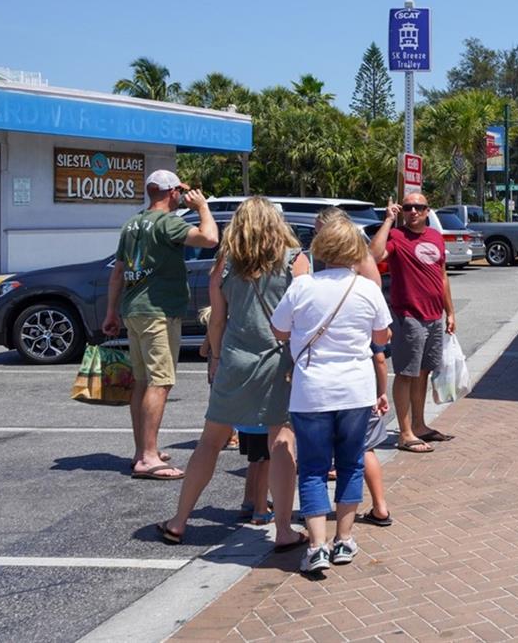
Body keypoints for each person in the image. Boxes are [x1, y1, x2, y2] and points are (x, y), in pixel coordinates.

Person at [156, 196, 307, 551]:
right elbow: (304, 314)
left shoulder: (225, 263)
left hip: (235, 359)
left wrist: (216, 357)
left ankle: (179, 521)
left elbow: (217, 319)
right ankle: (283, 528)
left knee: (210, 442)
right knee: (281, 441)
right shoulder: (294, 260)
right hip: (279, 360)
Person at [270, 218, 392, 575]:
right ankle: (344, 539)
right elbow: (382, 337)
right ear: (354, 249)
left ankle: (316, 545)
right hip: (355, 388)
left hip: (311, 391)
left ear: (320, 248)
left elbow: (279, 330)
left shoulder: (302, 286)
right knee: (351, 462)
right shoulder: (367, 289)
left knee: (312, 468)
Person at [103, 169, 218, 481]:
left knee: (142, 381)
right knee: (160, 381)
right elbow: (209, 239)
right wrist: (203, 208)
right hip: (158, 312)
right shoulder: (168, 223)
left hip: (134, 310)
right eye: (180, 189)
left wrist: (111, 312)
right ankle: (149, 457)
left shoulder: (132, 224)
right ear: (170, 193)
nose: (183, 194)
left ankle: (143, 450)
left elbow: (117, 273)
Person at [312, 208, 392, 527]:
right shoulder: (345, 255)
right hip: (350, 351)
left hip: (354, 350)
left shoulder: (353, 257)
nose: (316, 234)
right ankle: (376, 507)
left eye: (320, 227)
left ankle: (379, 505)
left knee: (360, 444)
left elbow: (376, 306)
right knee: (354, 443)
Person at [368, 192, 457, 454]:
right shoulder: (397, 236)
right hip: (409, 316)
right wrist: (388, 220)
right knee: (406, 373)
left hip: (433, 316)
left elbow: (442, 277)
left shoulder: (435, 237)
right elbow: (373, 255)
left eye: (419, 207)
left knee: (423, 372)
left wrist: (449, 312)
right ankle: (404, 433)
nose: (413, 211)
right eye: (408, 207)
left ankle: (419, 425)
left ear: (428, 211)